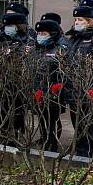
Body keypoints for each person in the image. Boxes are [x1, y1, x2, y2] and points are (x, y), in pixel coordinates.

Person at [64, 0, 93, 157]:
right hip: (74, 88)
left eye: (80, 19)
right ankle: (80, 148)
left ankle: (87, 150)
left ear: (90, 21)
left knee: (90, 122)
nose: (77, 22)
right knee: (77, 121)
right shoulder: (75, 37)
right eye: (76, 19)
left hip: (90, 89)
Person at [31, 17, 69, 151]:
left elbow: (64, 71)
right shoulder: (36, 49)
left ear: (52, 34)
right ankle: (45, 139)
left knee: (52, 119)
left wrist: (57, 88)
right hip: (38, 90)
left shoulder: (59, 49)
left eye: (43, 34)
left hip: (53, 91)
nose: (40, 36)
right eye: (39, 33)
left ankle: (53, 144)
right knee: (42, 117)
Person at [0, 11, 33, 140]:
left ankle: (15, 137)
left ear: (18, 26)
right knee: (1, 112)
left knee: (17, 113)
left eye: (10, 26)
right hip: (2, 82)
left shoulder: (27, 41)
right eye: (6, 26)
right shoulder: (2, 39)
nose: (7, 29)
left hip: (18, 84)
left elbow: (25, 61)